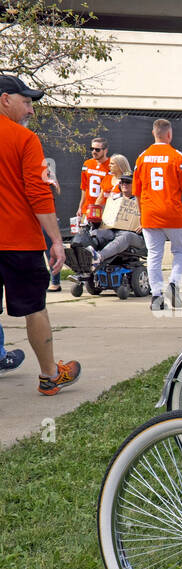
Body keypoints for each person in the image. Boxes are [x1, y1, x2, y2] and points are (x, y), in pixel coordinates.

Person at [0, 75, 81, 392]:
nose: (31, 110)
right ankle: (50, 376)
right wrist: (57, 241)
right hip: (19, 241)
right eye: (27, 101)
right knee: (34, 308)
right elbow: (38, 195)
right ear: (5, 99)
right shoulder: (24, 139)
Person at [133, 117, 182, 310]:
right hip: (173, 214)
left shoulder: (142, 158)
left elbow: (136, 191)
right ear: (169, 134)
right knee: (180, 251)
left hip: (150, 214)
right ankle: (174, 285)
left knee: (154, 255)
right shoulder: (179, 157)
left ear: (154, 133)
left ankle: (156, 296)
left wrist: (142, 215)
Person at [77, 135, 112, 232]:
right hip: (87, 208)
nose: (93, 152)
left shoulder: (111, 165)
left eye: (97, 149)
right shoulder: (87, 164)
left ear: (105, 150)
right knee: (84, 237)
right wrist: (80, 207)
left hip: (103, 209)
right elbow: (84, 187)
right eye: (92, 149)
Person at [42, 155, 62, 292]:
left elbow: (56, 189)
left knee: (51, 252)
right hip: (32, 220)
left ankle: (55, 281)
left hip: (48, 220)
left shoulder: (47, 176)